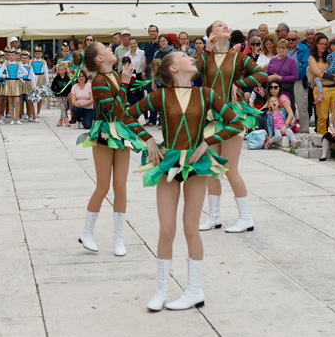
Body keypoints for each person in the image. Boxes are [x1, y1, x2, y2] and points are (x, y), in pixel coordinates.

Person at [132, 52, 241, 311]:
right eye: (184, 56)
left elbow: (235, 123)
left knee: (191, 227)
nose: (190, 56)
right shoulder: (160, 96)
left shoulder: (206, 94)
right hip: (168, 162)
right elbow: (127, 115)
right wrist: (147, 139)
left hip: (196, 162)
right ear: (173, 68)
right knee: (167, 228)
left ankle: (194, 291)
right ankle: (162, 290)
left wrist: (207, 142)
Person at [196, 21, 270, 234]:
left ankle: (246, 217)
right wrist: (206, 50)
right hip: (210, 116)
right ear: (211, 34)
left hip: (232, 114)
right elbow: (192, 74)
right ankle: (214, 216)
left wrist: (239, 83)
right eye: (220, 26)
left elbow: (261, 75)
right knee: (212, 169)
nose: (225, 27)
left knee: (229, 168)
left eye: (226, 25)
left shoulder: (238, 57)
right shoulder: (205, 57)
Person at [77, 42, 147, 256]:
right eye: (106, 49)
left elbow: (124, 110)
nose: (111, 49)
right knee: (103, 186)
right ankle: (87, 232)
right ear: (100, 58)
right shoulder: (98, 81)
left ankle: (118, 238)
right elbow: (113, 109)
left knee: (121, 186)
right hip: (105, 133)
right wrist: (125, 84)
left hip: (121, 132)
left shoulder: (115, 75)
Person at [309, 34, 335, 135]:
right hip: (322, 89)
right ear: (316, 44)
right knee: (322, 117)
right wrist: (334, 77)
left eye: (325, 44)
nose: (323, 46)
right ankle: (321, 138)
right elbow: (317, 73)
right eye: (321, 44)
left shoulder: (332, 56)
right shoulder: (312, 58)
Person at [51, 62, 73, 126]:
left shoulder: (67, 78)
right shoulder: (56, 78)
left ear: (65, 70)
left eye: (62, 70)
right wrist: (55, 91)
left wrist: (68, 92)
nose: (61, 71)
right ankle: (66, 120)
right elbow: (52, 86)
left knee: (65, 107)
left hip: (65, 95)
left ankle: (60, 120)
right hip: (58, 95)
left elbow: (70, 86)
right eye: (59, 70)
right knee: (62, 107)